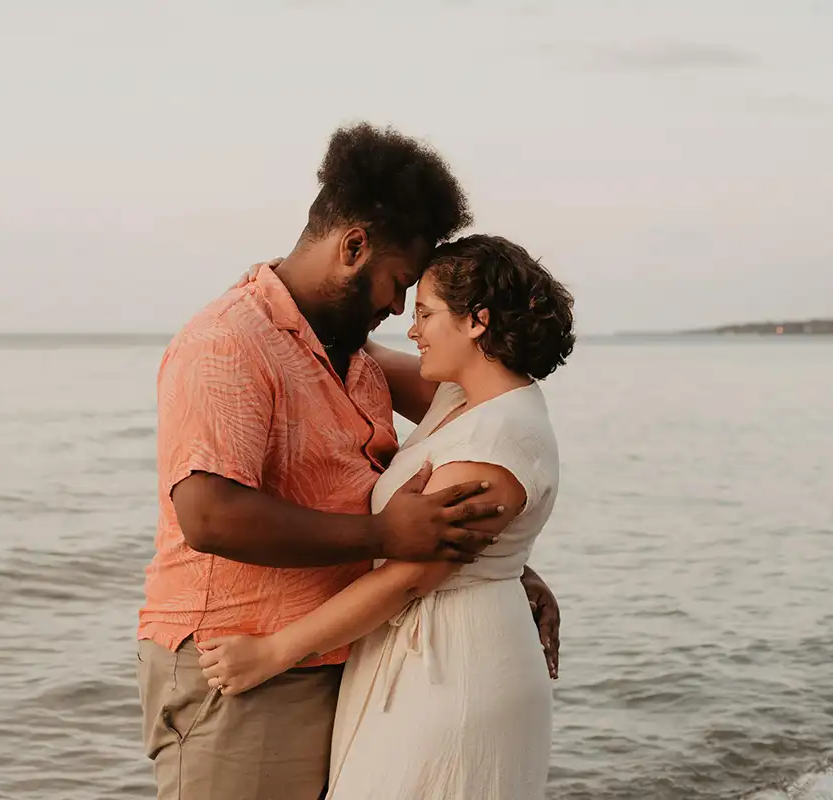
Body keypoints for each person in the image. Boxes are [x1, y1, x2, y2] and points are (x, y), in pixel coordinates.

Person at [136, 122, 560, 800]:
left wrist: (501, 564)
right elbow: (209, 516)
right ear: (353, 247)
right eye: (398, 284)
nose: (398, 309)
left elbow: (484, 433)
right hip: (238, 664)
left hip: (338, 653)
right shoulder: (228, 342)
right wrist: (384, 535)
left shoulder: (354, 354)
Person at [198, 234, 576, 799]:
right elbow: (353, 347)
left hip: (453, 668)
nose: (412, 328)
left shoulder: (496, 438)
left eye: (424, 313)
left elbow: (409, 577)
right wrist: (285, 287)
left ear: (477, 321)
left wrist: (271, 654)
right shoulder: (462, 401)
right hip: (425, 654)